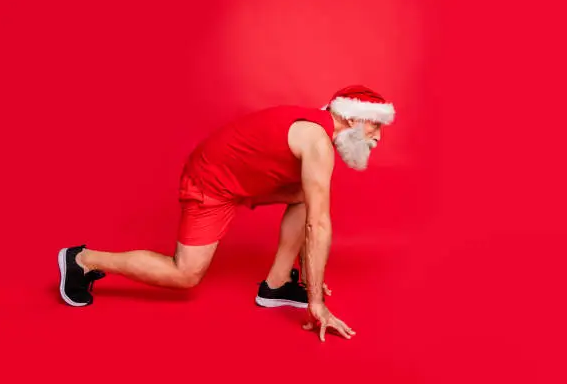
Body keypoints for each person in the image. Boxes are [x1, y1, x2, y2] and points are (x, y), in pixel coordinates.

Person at [57, 85, 395, 341]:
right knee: (184, 275)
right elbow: (318, 226)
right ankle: (84, 260)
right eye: (375, 127)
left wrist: (310, 279)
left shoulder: (316, 132)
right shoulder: (318, 142)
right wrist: (316, 301)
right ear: (352, 117)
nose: (378, 138)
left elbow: (314, 213)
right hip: (211, 182)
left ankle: (276, 286)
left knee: (307, 195)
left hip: (238, 177)